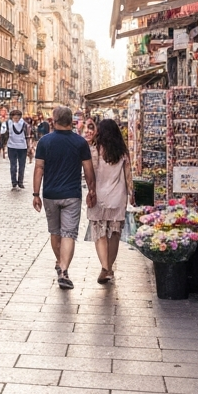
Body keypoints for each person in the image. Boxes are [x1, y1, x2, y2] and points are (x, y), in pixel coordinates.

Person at [32, 106, 97, 290]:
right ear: (72, 122)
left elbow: (39, 168)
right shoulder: (80, 143)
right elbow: (88, 170)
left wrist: (36, 194)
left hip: (50, 194)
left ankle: (60, 263)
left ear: (53, 120)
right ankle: (64, 270)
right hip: (72, 195)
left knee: (55, 232)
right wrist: (92, 191)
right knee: (68, 234)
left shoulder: (45, 141)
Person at [87, 118, 133, 284]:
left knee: (99, 232)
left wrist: (90, 190)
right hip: (118, 196)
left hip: (99, 196)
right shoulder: (122, 151)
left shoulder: (94, 149)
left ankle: (105, 268)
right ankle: (108, 268)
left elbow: (89, 173)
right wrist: (131, 193)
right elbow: (128, 176)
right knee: (114, 233)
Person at [5, 109, 31, 190]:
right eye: (14, 118)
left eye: (17, 118)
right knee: (14, 165)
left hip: (19, 147)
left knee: (20, 165)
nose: (16, 119)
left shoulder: (9, 124)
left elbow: (27, 136)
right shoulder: (25, 124)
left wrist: (29, 146)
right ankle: (15, 182)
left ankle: (19, 182)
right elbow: (28, 136)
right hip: (15, 147)